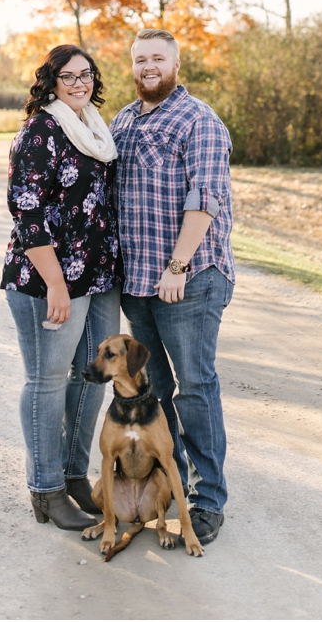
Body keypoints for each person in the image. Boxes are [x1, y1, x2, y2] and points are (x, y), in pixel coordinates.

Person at [109, 28, 237, 548]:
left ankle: (209, 502)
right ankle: (173, 488)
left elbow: (204, 199)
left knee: (195, 387)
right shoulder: (122, 120)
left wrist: (178, 267)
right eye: (140, 60)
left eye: (158, 58)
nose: (148, 67)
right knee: (157, 390)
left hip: (189, 278)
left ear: (177, 63)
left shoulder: (199, 120)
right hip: (138, 284)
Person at [1, 42, 121, 531]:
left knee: (93, 376)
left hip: (98, 276)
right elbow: (27, 214)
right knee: (47, 381)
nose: (79, 83)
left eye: (86, 74)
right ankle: (45, 489)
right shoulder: (40, 131)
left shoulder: (95, 127)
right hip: (46, 279)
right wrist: (55, 283)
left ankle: (74, 476)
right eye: (68, 76)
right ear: (50, 81)